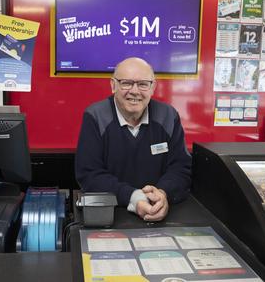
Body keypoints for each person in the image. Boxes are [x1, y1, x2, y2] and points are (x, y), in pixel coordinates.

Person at [75, 57, 192, 222]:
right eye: (127, 83)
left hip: (161, 211)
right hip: (111, 216)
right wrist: (134, 197)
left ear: (153, 87)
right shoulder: (95, 116)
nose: (135, 91)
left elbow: (181, 168)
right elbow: (89, 174)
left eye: (143, 84)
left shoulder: (168, 116)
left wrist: (163, 194)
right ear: (113, 85)